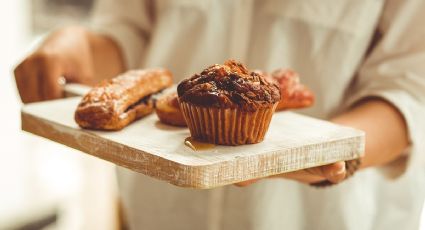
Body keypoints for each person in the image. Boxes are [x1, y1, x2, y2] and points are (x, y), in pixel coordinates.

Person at [13, 0, 425, 229]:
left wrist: (324, 151)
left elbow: (410, 87)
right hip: (160, 209)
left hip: (320, 217)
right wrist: (82, 46)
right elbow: (130, 30)